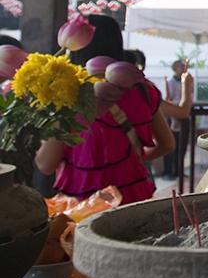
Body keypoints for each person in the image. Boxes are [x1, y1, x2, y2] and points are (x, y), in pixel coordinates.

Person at [34, 15, 174, 204]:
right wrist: (133, 160)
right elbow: (167, 144)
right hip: (133, 197)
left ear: (77, 47)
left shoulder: (69, 94)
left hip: (84, 205)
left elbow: (45, 165)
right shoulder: (143, 89)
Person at [162, 59, 193, 180]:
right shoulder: (170, 82)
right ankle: (168, 171)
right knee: (171, 143)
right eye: (180, 67)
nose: (183, 69)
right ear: (175, 68)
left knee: (183, 144)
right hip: (173, 114)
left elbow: (189, 97)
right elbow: (168, 99)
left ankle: (179, 170)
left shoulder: (186, 80)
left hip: (183, 114)